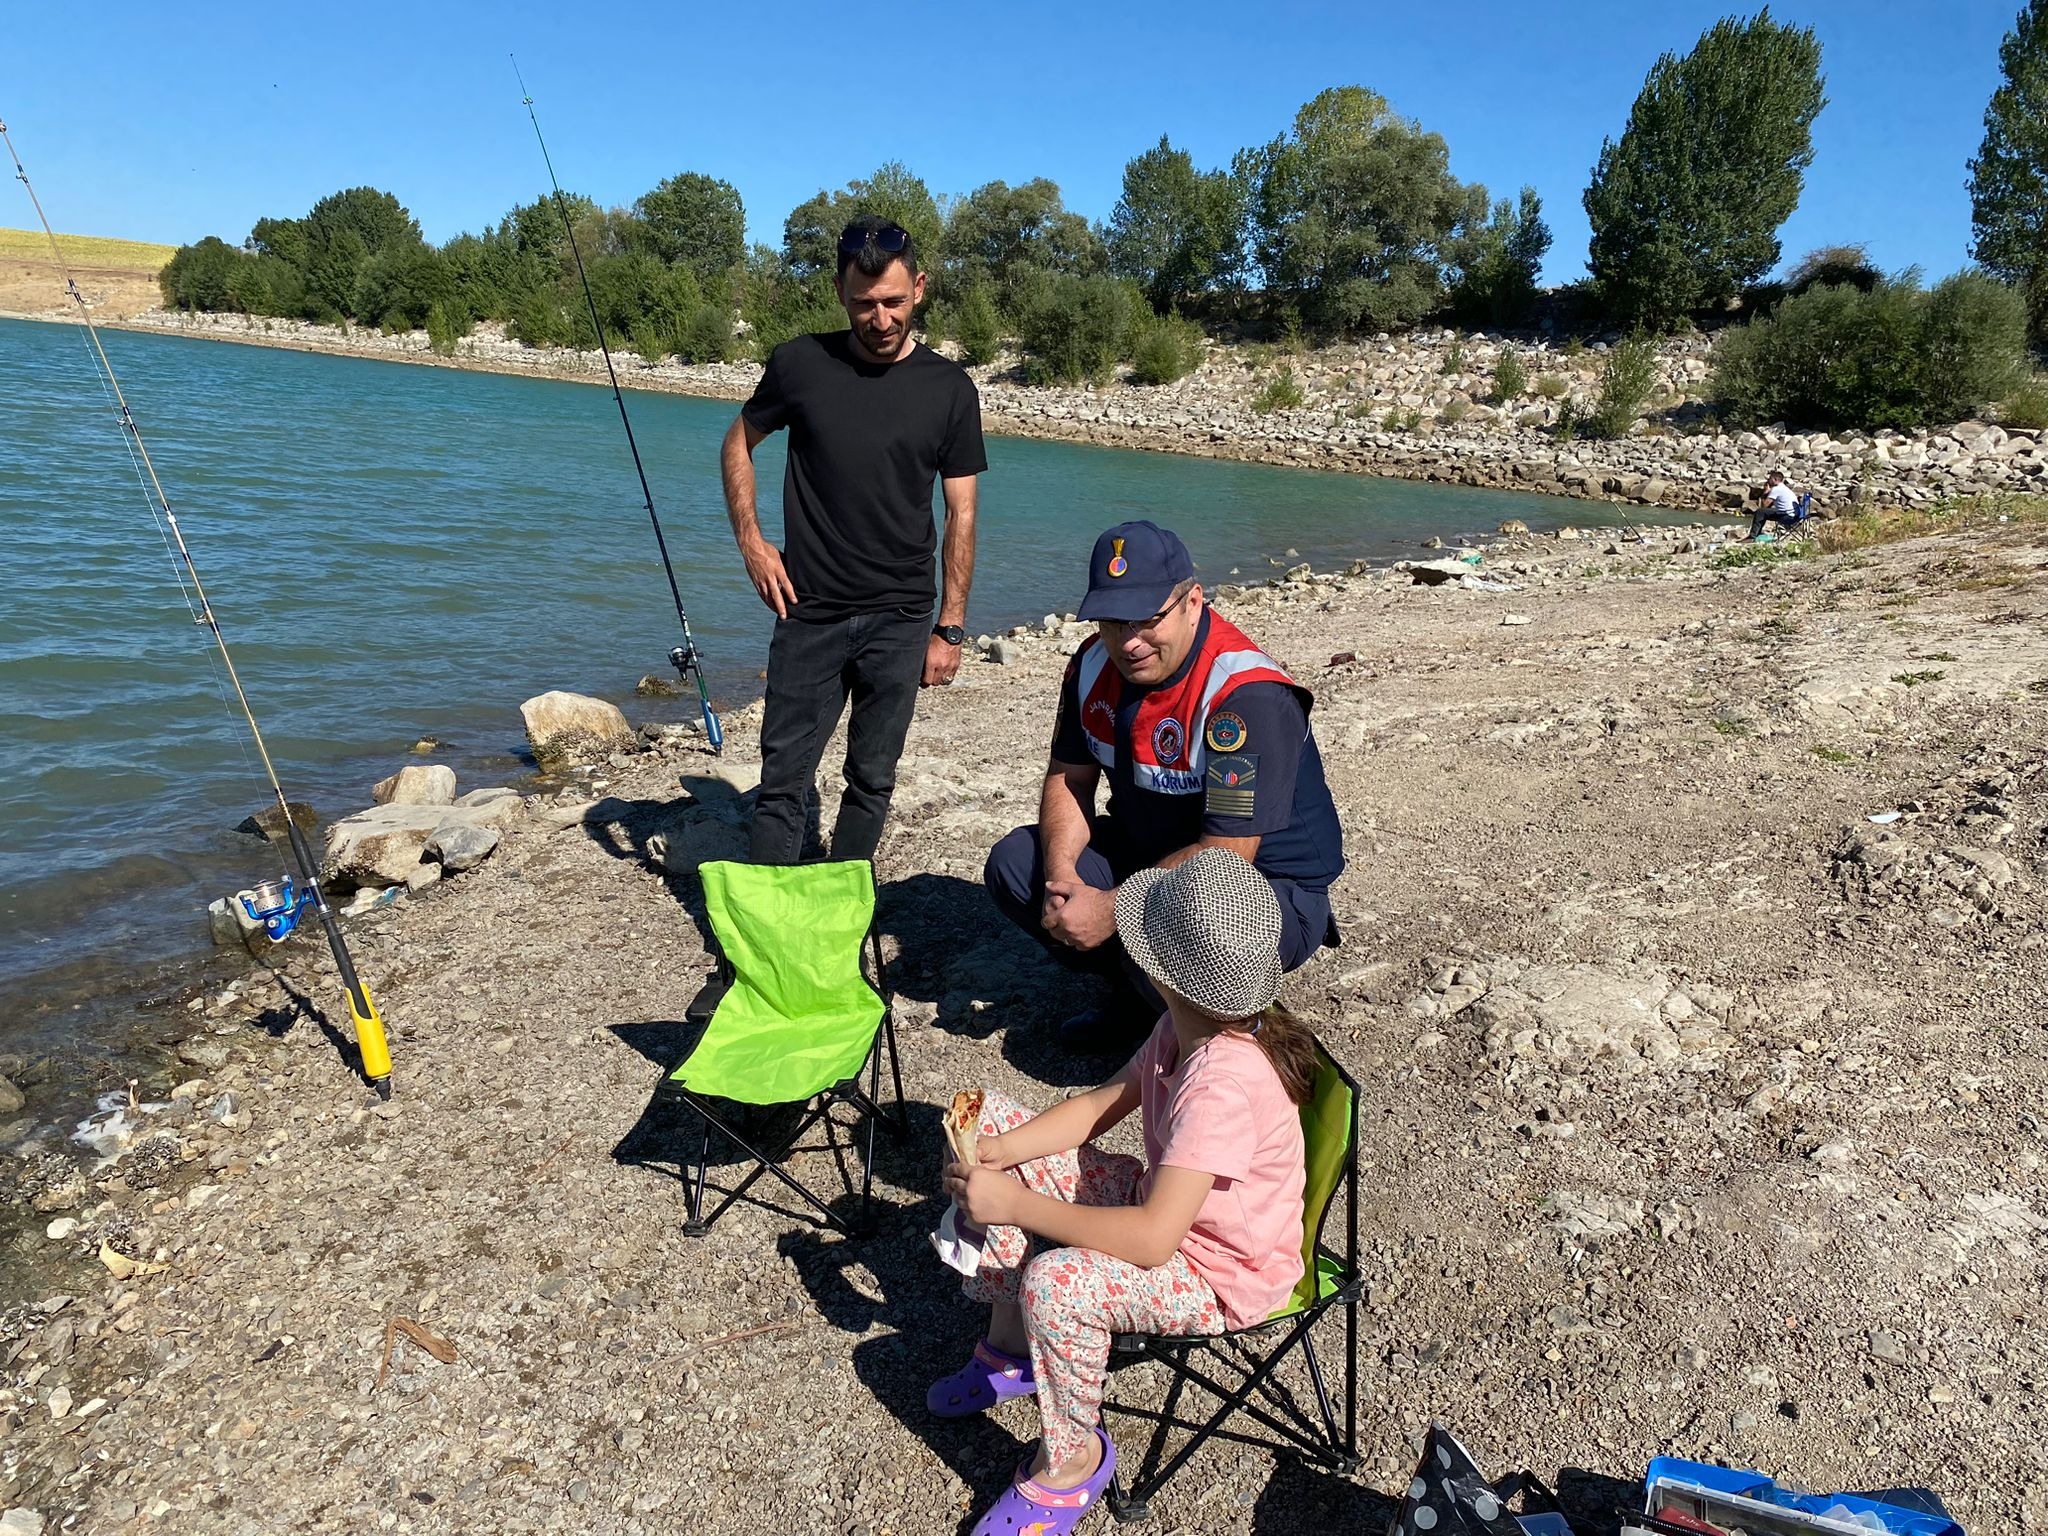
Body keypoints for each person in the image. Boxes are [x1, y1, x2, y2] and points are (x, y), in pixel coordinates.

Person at [934, 849, 1316, 1536]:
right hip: (1172, 1220)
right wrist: (996, 1153)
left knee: (1057, 1283)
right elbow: (1095, 1108)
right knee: (986, 1115)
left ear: (1156, 969)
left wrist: (1014, 1205)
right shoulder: (1182, 1026)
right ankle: (1012, 1346)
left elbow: (1153, 1238)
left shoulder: (1221, 1084)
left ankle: (1072, 1461)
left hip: (1221, 1274)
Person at [983, 520, 1344, 1053]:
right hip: (1151, 850)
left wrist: (1111, 909)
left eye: (1146, 620)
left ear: (1193, 602)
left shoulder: (1244, 697)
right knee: (1018, 865)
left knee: (1201, 910)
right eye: (1110, 621)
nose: (1128, 642)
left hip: (1261, 888)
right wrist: (1065, 883)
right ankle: (1139, 999)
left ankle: (1233, 1041)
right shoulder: (1091, 664)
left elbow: (1227, 859)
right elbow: (1069, 777)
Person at [720, 215, 986, 867]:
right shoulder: (800, 364)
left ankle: (842, 928)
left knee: (871, 781)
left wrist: (949, 629)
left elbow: (961, 514)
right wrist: (752, 543)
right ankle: (767, 945)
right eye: (865, 303)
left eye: (893, 301)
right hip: (808, 611)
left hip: (900, 618)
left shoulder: (949, 390)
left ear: (918, 289)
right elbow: (738, 442)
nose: (881, 317)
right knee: (783, 784)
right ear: (841, 291)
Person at [1749, 470, 1806, 541]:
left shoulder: (1776, 489)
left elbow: (1763, 506)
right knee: (1764, 512)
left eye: (1770, 479)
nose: (1768, 481)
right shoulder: (1784, 488)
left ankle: (1753, 536)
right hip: (1795, 516)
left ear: (1775, 480)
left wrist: (1765, 493)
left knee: (1760, 512)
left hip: (1787, 516)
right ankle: (1756, 534)